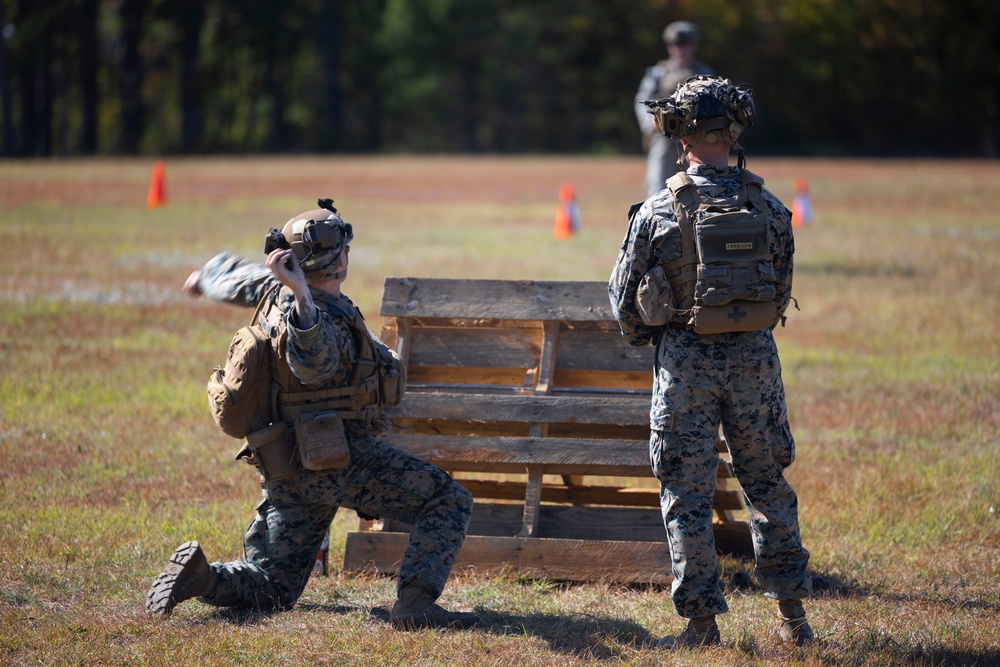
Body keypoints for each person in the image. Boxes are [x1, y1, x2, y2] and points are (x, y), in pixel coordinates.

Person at [147, 199, 481, 631]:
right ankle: (416, 604)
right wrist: (304, 296)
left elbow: (238, 278)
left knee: (274, 586)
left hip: (289, 465)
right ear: (340, 259)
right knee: (447, 498)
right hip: (341, 460)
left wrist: (204, 277)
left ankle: (203, 578)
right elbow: (314, 361)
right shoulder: (315, 315)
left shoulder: (274, 290)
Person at [610, 77, 815, 649]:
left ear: (679, 134)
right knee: (768, 486)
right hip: (755, 364)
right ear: (735, 129)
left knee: (687, 494)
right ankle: (795, 619)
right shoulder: (771, 208)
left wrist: (657, 334)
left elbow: (624, 305)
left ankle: (702, 625)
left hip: (685, 367)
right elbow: (780, 295)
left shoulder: (656, 211)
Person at [635, 21, 714, 199]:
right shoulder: (657, 73)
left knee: (698, 191)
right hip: (663, 141)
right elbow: (641, 101)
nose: (680, 50)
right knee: (657, 188)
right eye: (675, 45)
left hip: (696, 143)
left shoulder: (704, 74)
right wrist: (651, 123)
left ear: (693, 45)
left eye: (684, 44)